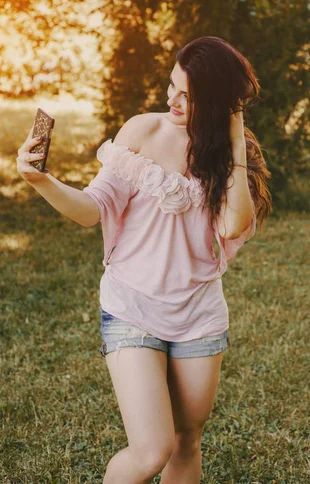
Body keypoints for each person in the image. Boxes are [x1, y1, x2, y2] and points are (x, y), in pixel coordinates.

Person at [16, 36, 272, 484]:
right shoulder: (141, 131)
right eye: (172, 85)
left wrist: (233, 135)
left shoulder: (233, 153)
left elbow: (233, 226)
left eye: (189, 96)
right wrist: (41, 181)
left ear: (218, 104)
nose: (172, 100)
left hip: (198, 315)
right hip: (132, 306)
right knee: (153, 449)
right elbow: (92, 209)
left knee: (188, 439)